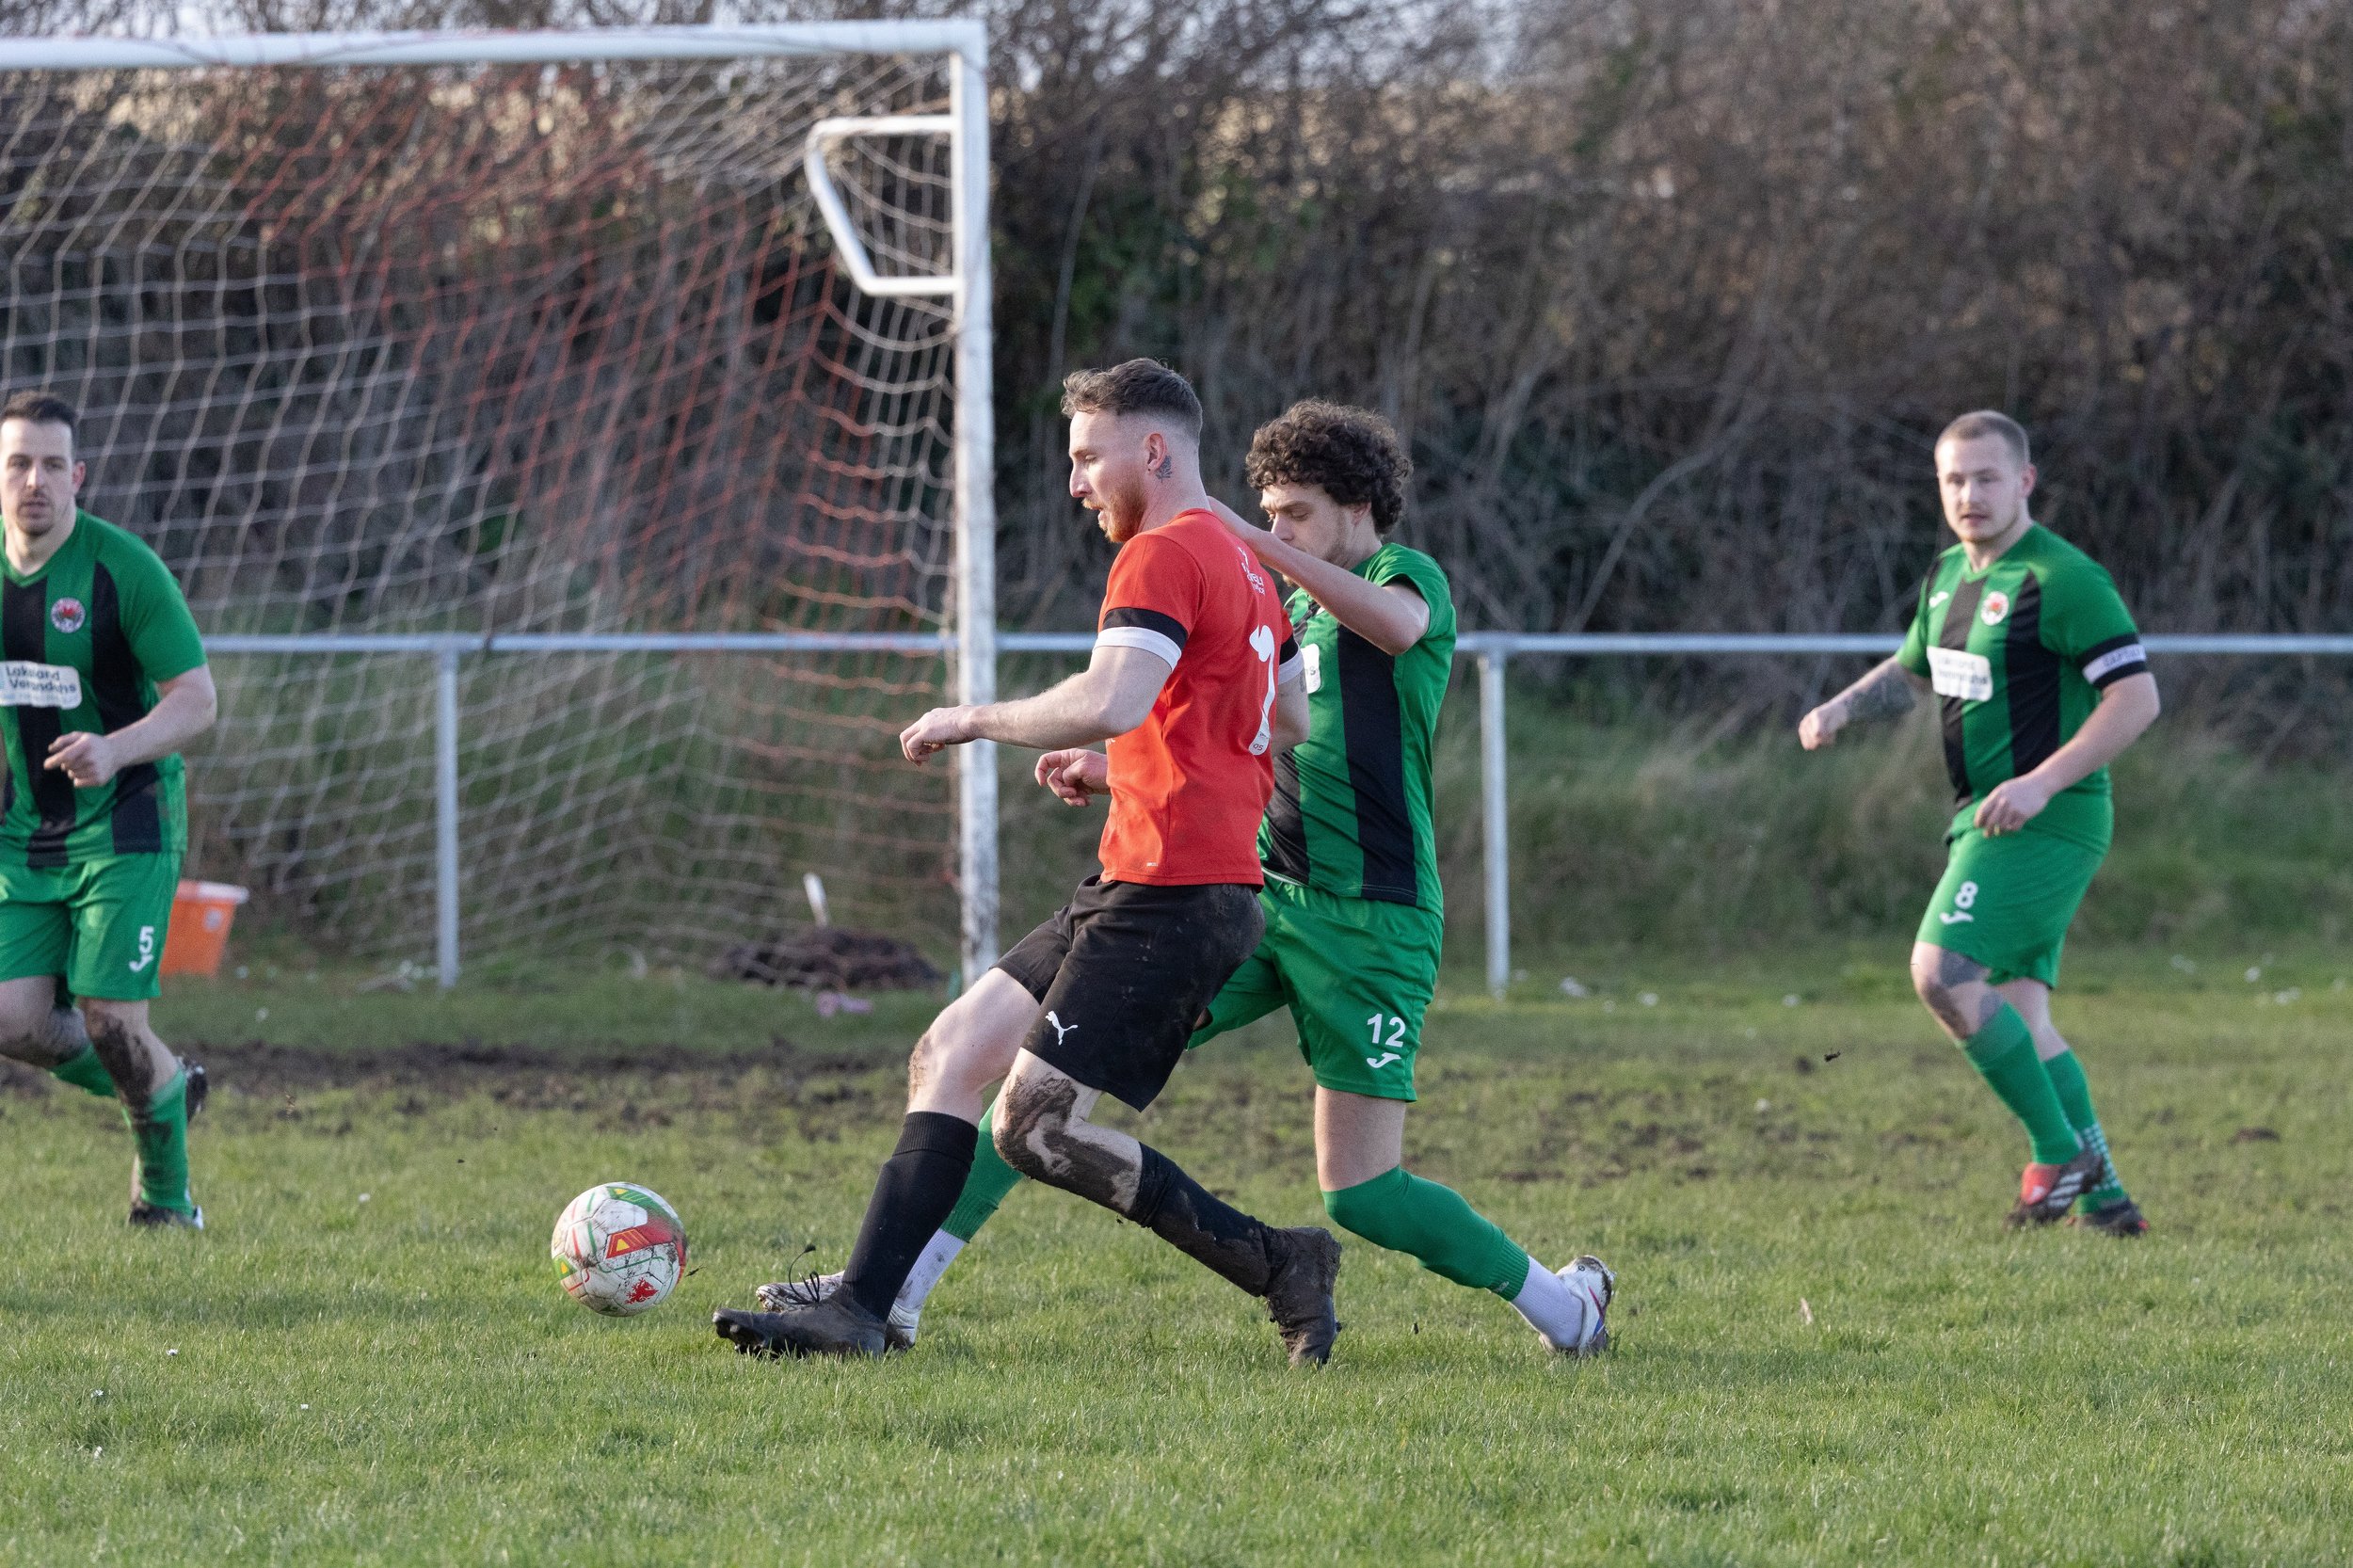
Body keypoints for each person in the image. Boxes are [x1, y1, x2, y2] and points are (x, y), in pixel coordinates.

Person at [760, 401, 1614, 1354]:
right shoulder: (1282, 608)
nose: (1275, 527)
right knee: (1037, 1075)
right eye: (1266, 512)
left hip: (1373, 923)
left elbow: (1401, 630)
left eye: (1293, 512)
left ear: (1358, 506)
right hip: (1258, 898)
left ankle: (1564, 1307)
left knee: (1363, 1193)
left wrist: (1256, 544)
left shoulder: (1398, 576)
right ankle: (895, 1290)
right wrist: (1110, 764)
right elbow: (1239, 743)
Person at [714, 360, 1340, 1362]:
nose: (1076, 481)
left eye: (1088, 456)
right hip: (1151, 878)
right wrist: (1128, 768)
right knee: (951, 1051)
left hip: (1174, 897)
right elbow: (1286, 717)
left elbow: (1111, 695)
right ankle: (863, 1310)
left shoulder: (1162, 553)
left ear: (1154, 449)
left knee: (1035, 1129)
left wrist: (972, 716)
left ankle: (1281, 1261)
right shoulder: (1249, 562)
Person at [1800, 410, 2159, 1233]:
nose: (1970, 495)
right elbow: (1915, 668)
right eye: (1954, 480)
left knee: (1942, 973)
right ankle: (2107, 1203)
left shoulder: (2061, 579)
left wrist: (2041, 781)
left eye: (1988, 477)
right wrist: (1841, 710)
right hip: (1985, 821)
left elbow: (2138, 698)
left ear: (2025, 481)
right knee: (2024, 1015)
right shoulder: (1948, 578)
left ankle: (2057, 1151)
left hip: (2051, 818)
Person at [0, 392, 219, 1227]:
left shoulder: (122, 571)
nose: (35, 482)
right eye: (18, 463)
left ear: (78, 477)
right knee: (10, 1018)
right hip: (26, 836)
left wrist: (116, 747)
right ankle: (166, 1084)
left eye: (53, 465)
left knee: (110, 1018)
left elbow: (197, 700)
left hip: (127, 824)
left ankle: (167, 1204)